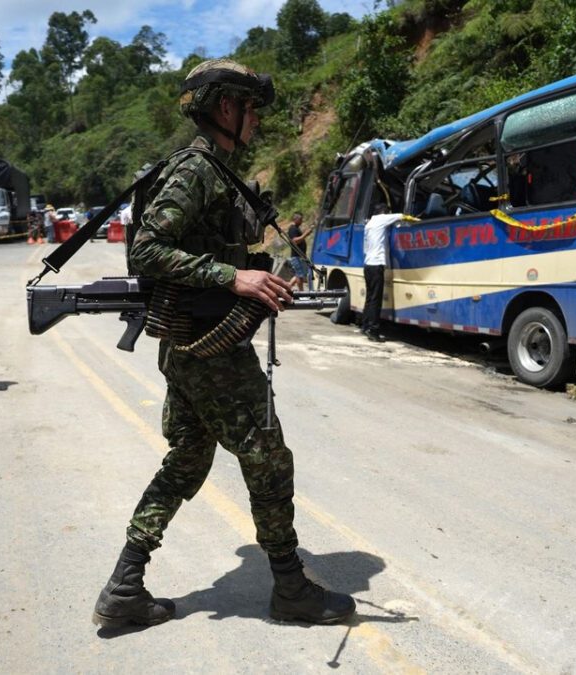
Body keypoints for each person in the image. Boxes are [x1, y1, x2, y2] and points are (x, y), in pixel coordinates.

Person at [92, 59, 355, 630]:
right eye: (252, 108)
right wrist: (233, 279)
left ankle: (124, 586)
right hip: (208, 346)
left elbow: (210, 251)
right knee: (268, 458)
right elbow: (148, 250)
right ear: (227, 106)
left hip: (195, 341)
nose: (257, 119)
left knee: (186, 460)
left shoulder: (219, 172)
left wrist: (258, 270)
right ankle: (290, 588)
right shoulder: (196, 170)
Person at [361, 204, 404, 343]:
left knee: (369, 297)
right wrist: (411, 218)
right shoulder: (381, 219)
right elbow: (400, 216)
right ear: (383, 212)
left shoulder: (369, 224)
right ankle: (373, 331)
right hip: (376, 265)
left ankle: (365, 326)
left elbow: (365, 248)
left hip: (368, 265)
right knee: (375, 300)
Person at [285, 212, 311, 291]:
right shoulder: (292, 228)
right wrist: (305, 234)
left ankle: (287, 288)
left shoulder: (296, 228)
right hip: (297, 256)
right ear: (295, 219)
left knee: (299, 274)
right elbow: (295, 241)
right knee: (300, 276)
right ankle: (301, 293)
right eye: (300, 220)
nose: (301, 221)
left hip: (300, 256)